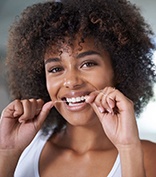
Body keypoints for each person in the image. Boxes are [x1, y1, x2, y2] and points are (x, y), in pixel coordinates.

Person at [0, 0, 156, 176]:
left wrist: (128, 148)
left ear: (119, 70)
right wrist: (7, 153)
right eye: (56, 69)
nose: (71, 81)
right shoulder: (22, 148)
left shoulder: (148, 156)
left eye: (88, 64)